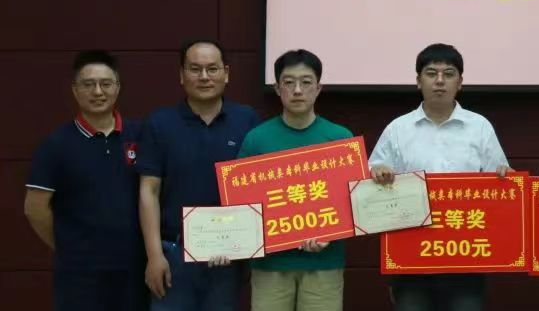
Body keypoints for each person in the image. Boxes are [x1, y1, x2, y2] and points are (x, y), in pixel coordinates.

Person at [369, 43, 510, 311]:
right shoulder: (398, 129)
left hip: (467, 254)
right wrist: (376, 174)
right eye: (431, 73)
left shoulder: (479, 127)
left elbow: (501, 186)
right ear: (418, 81)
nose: (440, 81)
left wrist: (507, 177)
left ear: (460, 82)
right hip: (411, 255)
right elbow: (370, 188)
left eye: (449, 73)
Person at [137, 39, 260, 310]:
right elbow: (149, 191)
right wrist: (154, 255)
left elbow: (258, 187)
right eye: (195, 69)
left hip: (229, 256)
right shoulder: (159, 123)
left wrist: (246, 247)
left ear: (226, 73)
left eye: (212, 69)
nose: (204, 76)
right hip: (174, 255)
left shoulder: (247, 120)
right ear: (182, 75)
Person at [25, 50, 148, 311]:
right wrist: (69, 246)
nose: (98, 92)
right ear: (75, 90)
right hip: (79, 275)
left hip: (135, 269)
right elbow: (35, 208)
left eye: (106, 84)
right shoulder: (56, 145)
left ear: (118, 87)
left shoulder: (142, 135)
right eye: (88, 84)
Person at [237, 49, 352, 311]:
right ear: (277, 89)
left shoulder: (340, 138)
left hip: (324, 263)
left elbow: (354, 202)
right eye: (289, 82)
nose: (297, 90)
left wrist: (331, 232)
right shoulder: (257, 139)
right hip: (270, 265)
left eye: (306, 82)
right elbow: (241, 203)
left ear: (318, 88)